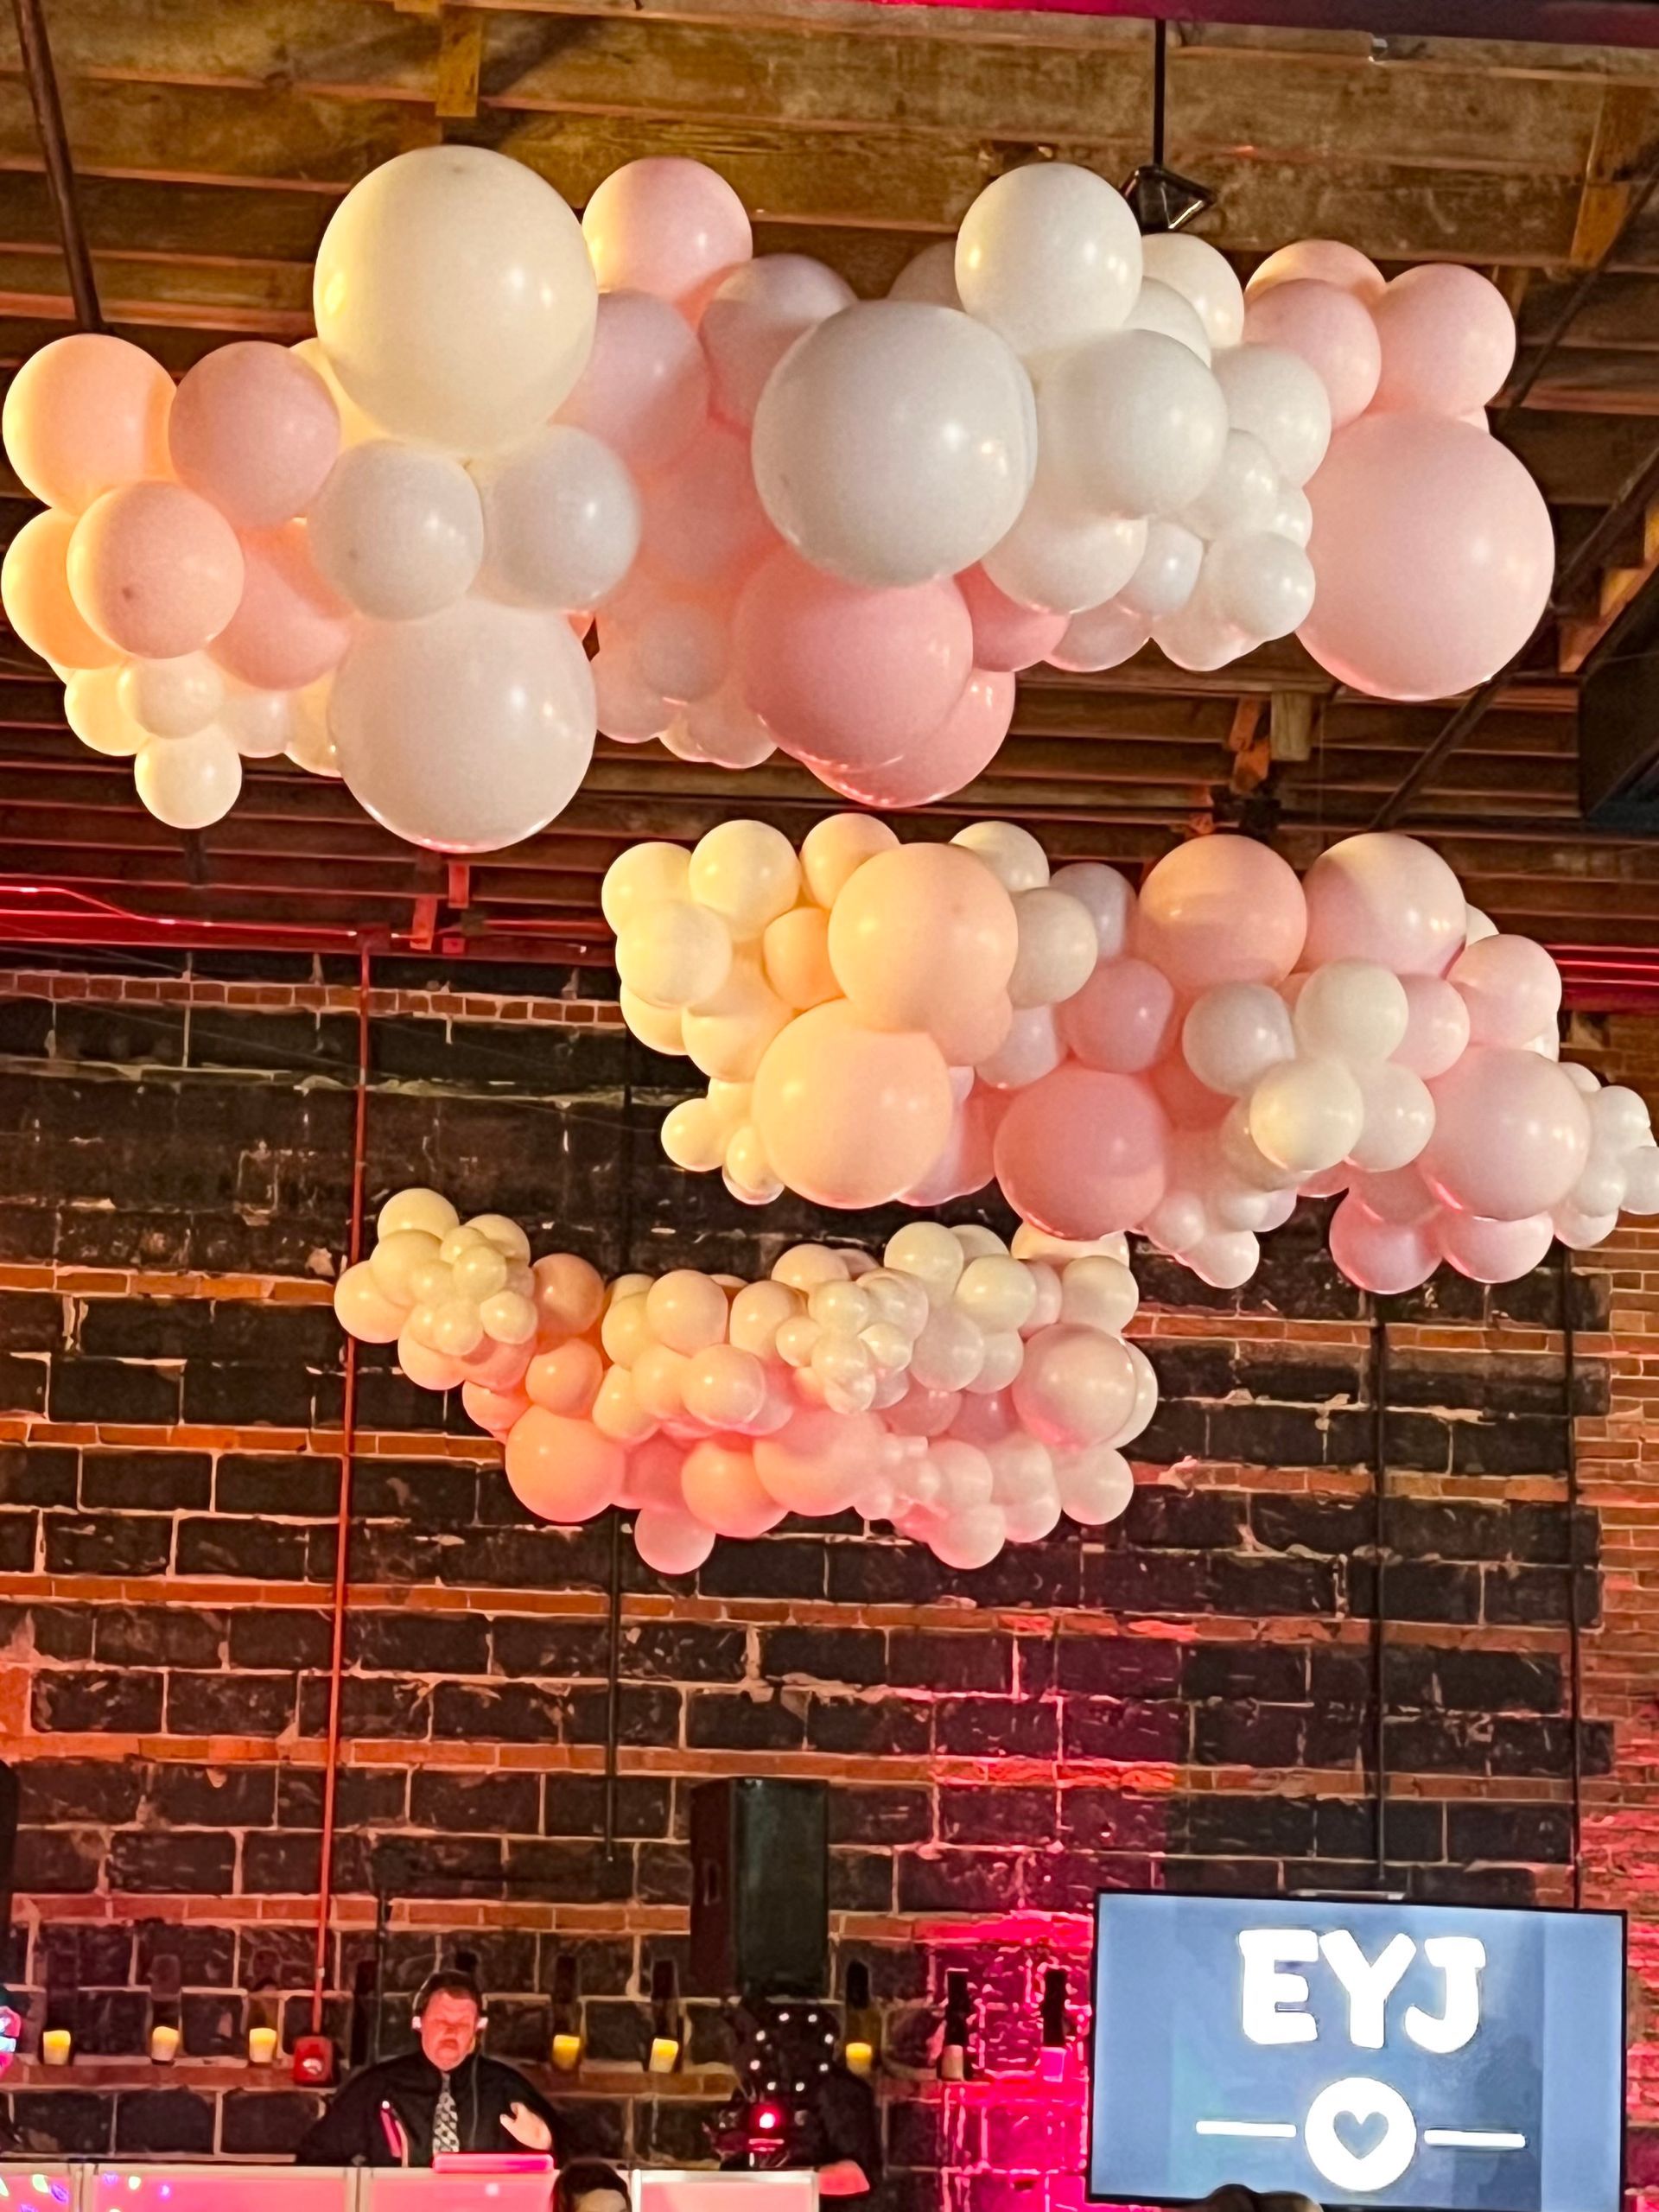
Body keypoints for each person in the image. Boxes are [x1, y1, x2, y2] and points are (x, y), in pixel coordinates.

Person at [296, 1967, 560, 2166]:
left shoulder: (505, 2087)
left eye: (463, 2024)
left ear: (477, 2031)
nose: (451, 2031)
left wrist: (547, 2142)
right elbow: (314, 2159)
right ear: (418, 2023)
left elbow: (577, 2156)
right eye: (441, 2021)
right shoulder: (376, 2087)